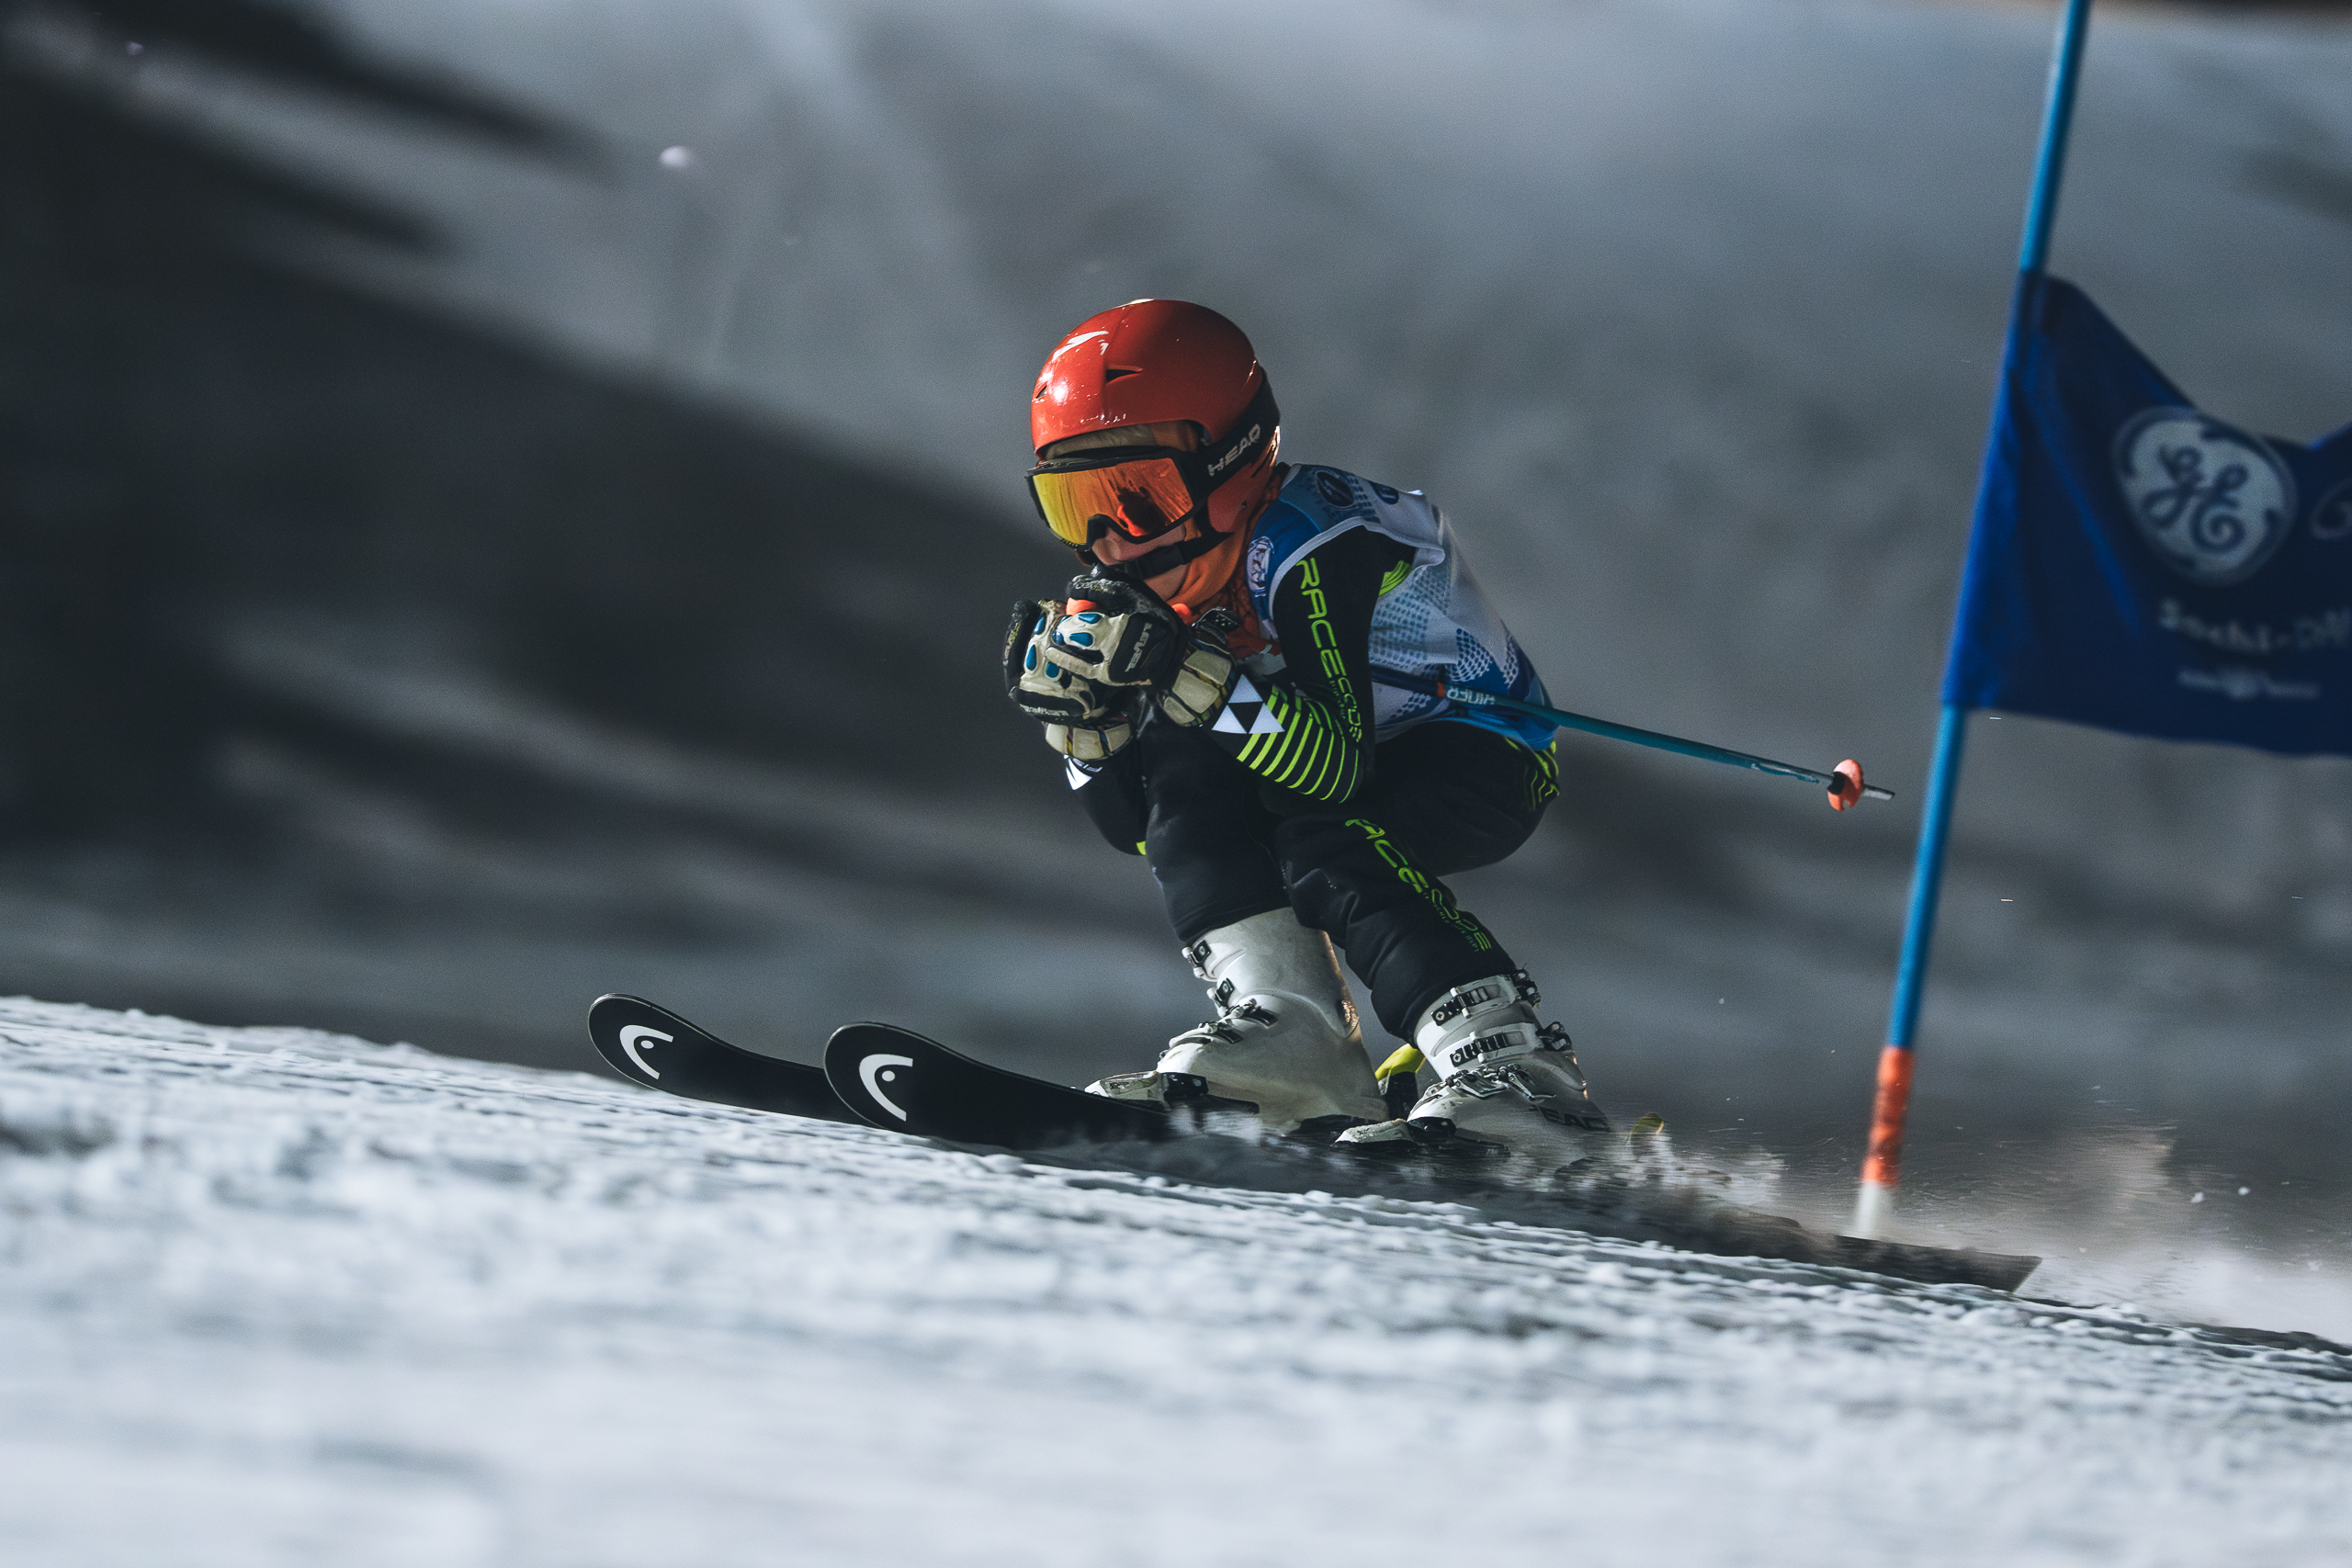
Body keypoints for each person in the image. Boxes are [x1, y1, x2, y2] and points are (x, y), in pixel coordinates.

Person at [1003, 299, 1613, 1172]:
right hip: (1335, 752)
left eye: (1137, 497)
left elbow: (1332, 768)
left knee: (1328, 838)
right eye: (1074, 506)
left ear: (1233, 464)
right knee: (1186, 758)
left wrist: (1185, 678)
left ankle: (1515, 1069)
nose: (1107, 545)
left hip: (1480, 748)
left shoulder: (1313, 544)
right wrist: (1087, 732)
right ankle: (1294, 1041)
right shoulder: (1164, 576)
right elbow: (1136, 827)